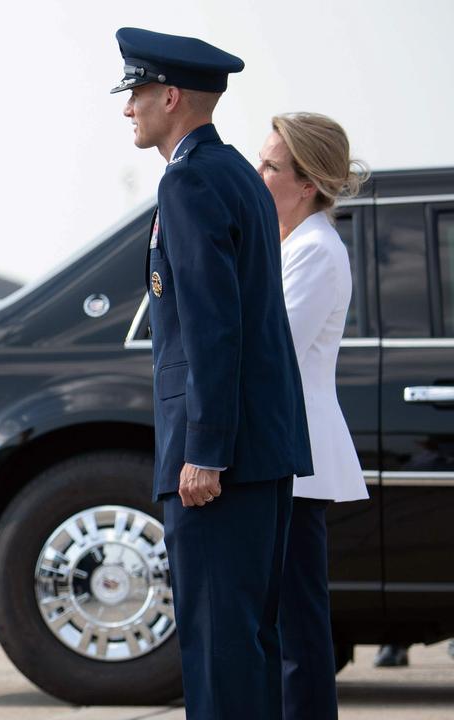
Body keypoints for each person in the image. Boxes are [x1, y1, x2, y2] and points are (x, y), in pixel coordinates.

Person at [111, 27, 313, 719]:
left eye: (136, 93)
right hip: (261, 450)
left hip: (220, 464)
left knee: (218, 643)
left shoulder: (191, 181)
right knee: (247, 641)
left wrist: (204, 450)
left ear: (170, 97)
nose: (128, 109)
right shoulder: (237, 177)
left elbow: (210, 329)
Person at [257, 112, 370, 718]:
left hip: (297, 456)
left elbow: (273, 350)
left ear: (307, 184)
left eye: (272, 165)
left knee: (300, 625)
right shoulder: (288, 243)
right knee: (281, 622)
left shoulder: (317, 251)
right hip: (281, 452)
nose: (258, 172)